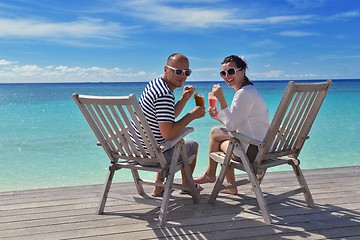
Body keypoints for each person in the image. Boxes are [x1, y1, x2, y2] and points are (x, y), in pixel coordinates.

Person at [194, 55, 269, 194]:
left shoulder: (244, 94)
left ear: (242, 71)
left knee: (217, 140)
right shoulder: (250, 91)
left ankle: (217, 178)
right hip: (265, 147)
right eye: (223, 73)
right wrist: (218, 117)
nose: (227, 76)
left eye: (231, 71)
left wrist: (221, 99)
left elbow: (232, 126)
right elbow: (235, 122)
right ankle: (216, 177)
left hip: (254, 151)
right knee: (216, 131)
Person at [137, 53, 205, 197]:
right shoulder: (164, 94)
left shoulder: (155, 84)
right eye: (178, 71)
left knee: (165, 142)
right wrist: (192, 115)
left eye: (187, 72)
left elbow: (166, 117)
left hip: (137, 151)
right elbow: (168, 133)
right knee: (192, 145)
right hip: (153, 157)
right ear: (166, 69)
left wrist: (184, 99)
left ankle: (159, 187)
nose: (183, 76)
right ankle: (187, 185)